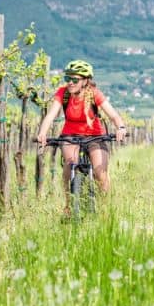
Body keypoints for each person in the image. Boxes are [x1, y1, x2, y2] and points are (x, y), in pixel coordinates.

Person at [36, 59, 127, 215]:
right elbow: (51, 115)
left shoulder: (94, 94)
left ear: (85, 81)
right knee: (70, 163)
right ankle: (68, 206)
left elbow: (113, 115)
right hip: (70, 136)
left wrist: (121, 127)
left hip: (95, 136)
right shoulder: (63, 93)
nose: (70, 83)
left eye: (74, 80)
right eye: (67, 79)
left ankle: (105, 210)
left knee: (100, 172)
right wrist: (42, 133)